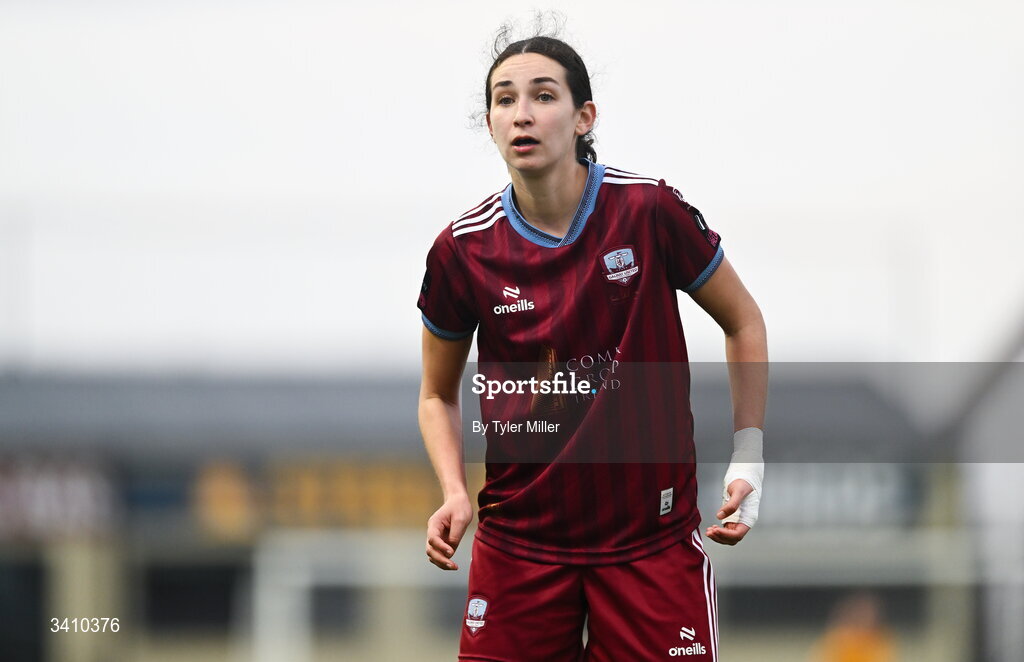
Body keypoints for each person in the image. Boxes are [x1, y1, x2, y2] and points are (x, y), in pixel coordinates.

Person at [417, 28, 768, 662]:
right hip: (520, 547)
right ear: (491, 123)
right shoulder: (462, 249)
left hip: (651, 545)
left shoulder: (649, 210)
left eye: (543, 95)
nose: (521, 113)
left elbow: (743, 320)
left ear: (584, 117)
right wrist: (452, 490)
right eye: (503, 99)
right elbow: (437, 394)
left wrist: (749, 454)